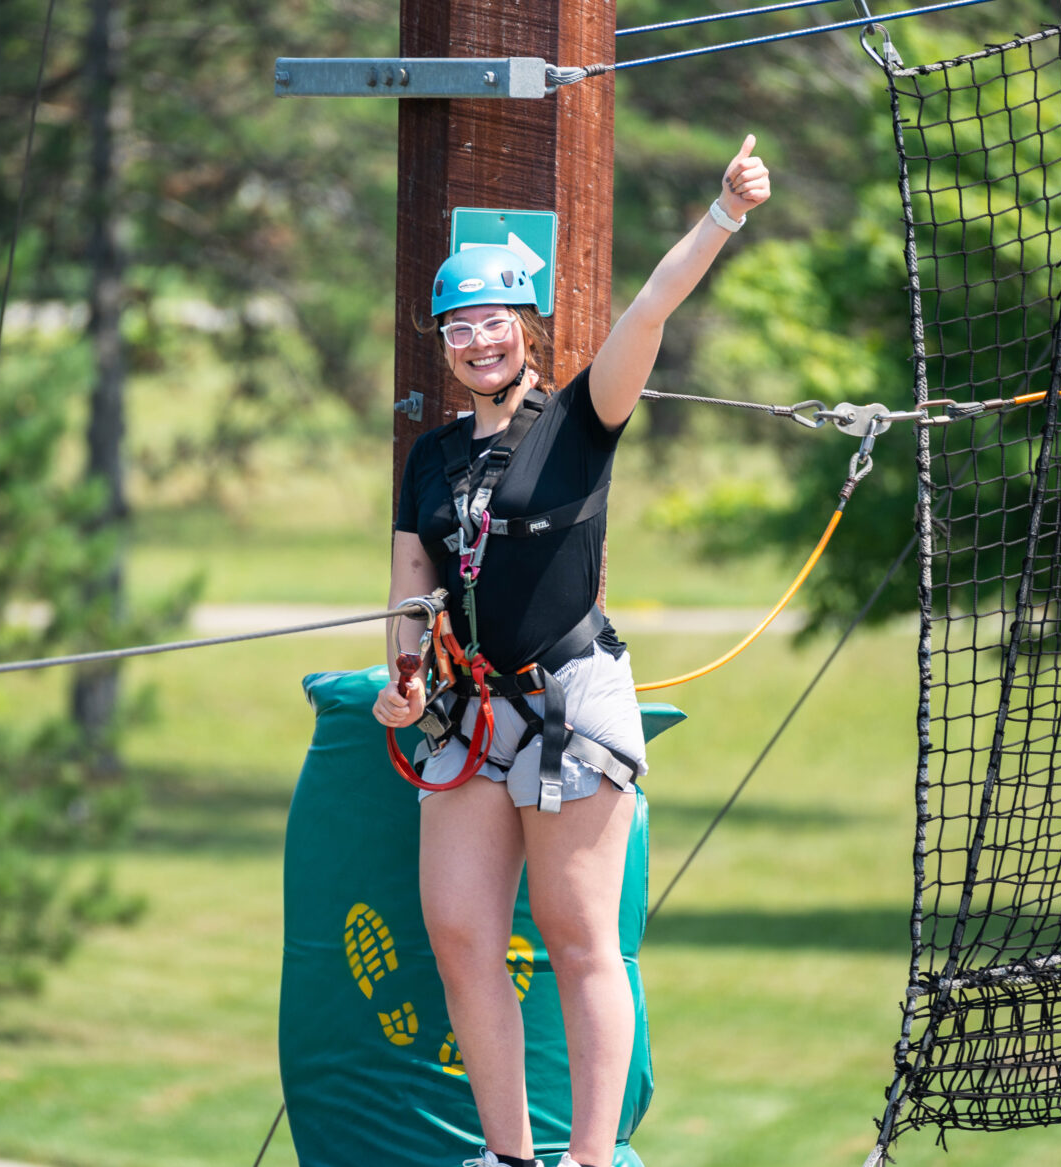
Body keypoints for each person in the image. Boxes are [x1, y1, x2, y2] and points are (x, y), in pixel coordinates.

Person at [372, 136, 771, 1167]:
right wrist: (403, 680)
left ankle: (587, 1161)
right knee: (460, 934)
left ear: (526, 326)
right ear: (444, 345)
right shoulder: (430, 457)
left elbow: (651, 308)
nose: (477, 341)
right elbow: (412, 585)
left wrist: (723, 214)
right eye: (458, 327)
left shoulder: (581, 418)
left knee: (577, 936)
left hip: (566, 698)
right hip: (470, 710)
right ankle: (507, 1156)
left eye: (492, 321)